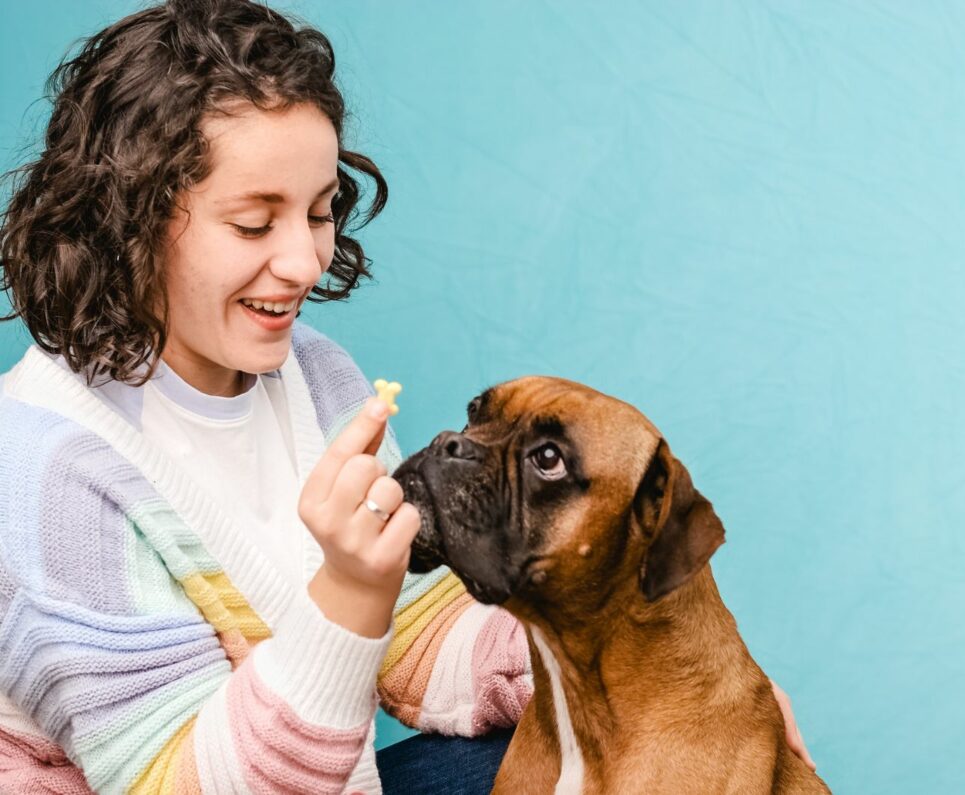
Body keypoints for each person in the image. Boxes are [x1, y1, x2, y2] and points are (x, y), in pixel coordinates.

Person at [0, 1, 813, 792]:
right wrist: (347, 598)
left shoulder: (315, 376)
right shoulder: (47, 472)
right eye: (254, 224)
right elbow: (178, 780)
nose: (305, 263)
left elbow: (419, 639)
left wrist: (688, 707)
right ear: (126, 222)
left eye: (320, 213)